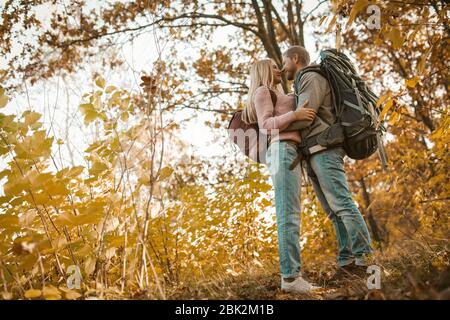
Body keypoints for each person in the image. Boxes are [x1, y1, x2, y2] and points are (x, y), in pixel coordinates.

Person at [281, 46, 374, 279]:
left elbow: (307, 115)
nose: (283, 68)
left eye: (284, 62)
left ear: (295, 58)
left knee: (342, 204)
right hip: (313, 151)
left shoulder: (311, 76)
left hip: (325, 149)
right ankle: (347, 261)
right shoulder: (303, 79)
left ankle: (365, 259)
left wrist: (274, 129)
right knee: (334, 212)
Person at [242, 58, 319, 293]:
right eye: (274, 66)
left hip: (288, 152)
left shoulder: (274, 91)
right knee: (288, 213)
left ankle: (292, 276)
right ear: (265, 70)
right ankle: (290, 278)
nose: (279, 69)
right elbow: (266, 125)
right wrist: (295, 116)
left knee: (291, 211)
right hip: (281, 150)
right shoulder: (263, 91)